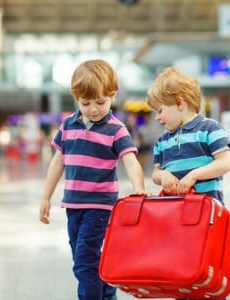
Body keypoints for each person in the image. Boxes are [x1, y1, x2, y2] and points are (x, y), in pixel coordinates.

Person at [39, 59, 146, 300]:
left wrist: (139, 188)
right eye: (85, 103)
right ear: (76, 97)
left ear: (113, 95)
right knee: (84, 257)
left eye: (101, 102)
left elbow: (130, 160)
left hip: (99, 206)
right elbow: (58, 162)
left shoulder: (116, 129)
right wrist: (46, 196)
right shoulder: (68, 125)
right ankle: (108, 295)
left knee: (84, 263)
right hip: (73, 205)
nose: (94, 109)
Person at [145, 67, 230, 300]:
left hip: (207, 219)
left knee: (207, 270)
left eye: (160, 110)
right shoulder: (163, 141)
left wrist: (193, 176)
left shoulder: (210, 129)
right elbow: (155, 173)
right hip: (175, 219)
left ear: (179, 102)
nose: (157, 117)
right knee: (181, 274)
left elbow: (224, 163)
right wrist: (162, 176)